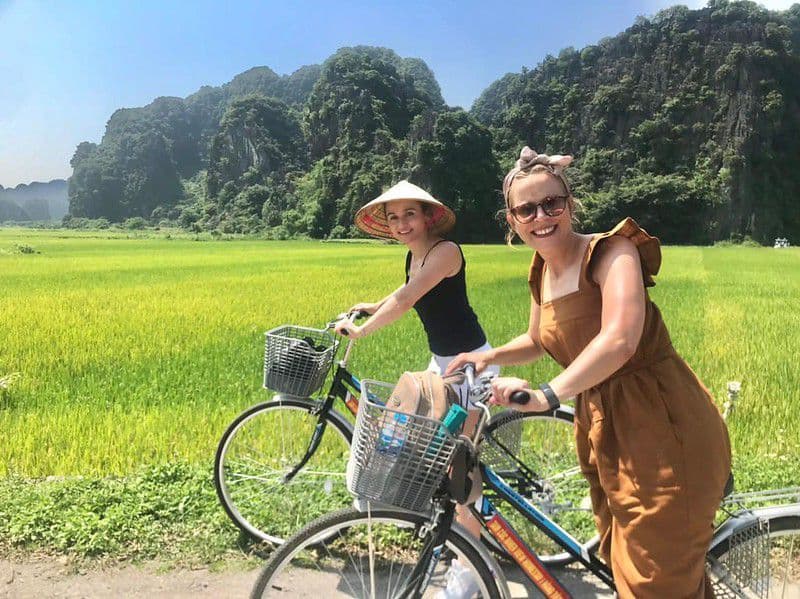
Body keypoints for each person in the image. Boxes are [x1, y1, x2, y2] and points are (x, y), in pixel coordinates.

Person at [447, 147, 731, 598]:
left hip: (660, 423)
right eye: (527, 209)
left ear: (569, 204)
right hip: (604, 428)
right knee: (629, 559)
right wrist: (486, 355)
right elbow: (540, 339)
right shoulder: (541, 270)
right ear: (512, 219)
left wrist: (546, 395)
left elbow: (620, 338)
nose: (541, 216)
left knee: (654, 575)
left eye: (551, 203)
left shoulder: (612, 251)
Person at [334, 180, 498, 599]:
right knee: (432, 449)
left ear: (428, 216)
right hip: (442, 363)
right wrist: (373, 303)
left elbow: (408, 298)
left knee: (461, 470)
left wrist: (363, 330)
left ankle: (468, 571)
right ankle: (455, 532)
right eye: (393, 217)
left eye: (410, 214)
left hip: (469, 366)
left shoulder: (446, 251)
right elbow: (407, 287)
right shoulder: (416, 253)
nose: (402, 223)